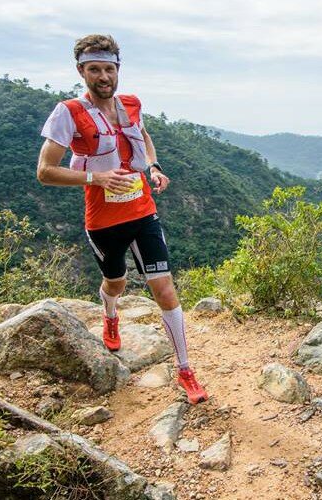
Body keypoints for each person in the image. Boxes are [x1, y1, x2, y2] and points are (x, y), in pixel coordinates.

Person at [36, 34, 207, 404]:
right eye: (94, 69)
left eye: (109, 69)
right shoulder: (69, 112)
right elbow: (45, 171)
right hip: (102, 220)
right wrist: (93, 177)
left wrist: (154, 166)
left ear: (117, 70)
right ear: (81, 70)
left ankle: (185, 370)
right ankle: (110, 313)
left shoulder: (131, 104)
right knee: (115, 282)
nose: (103, 76)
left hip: (142, 209)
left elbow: (142, 136)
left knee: (164, 288)